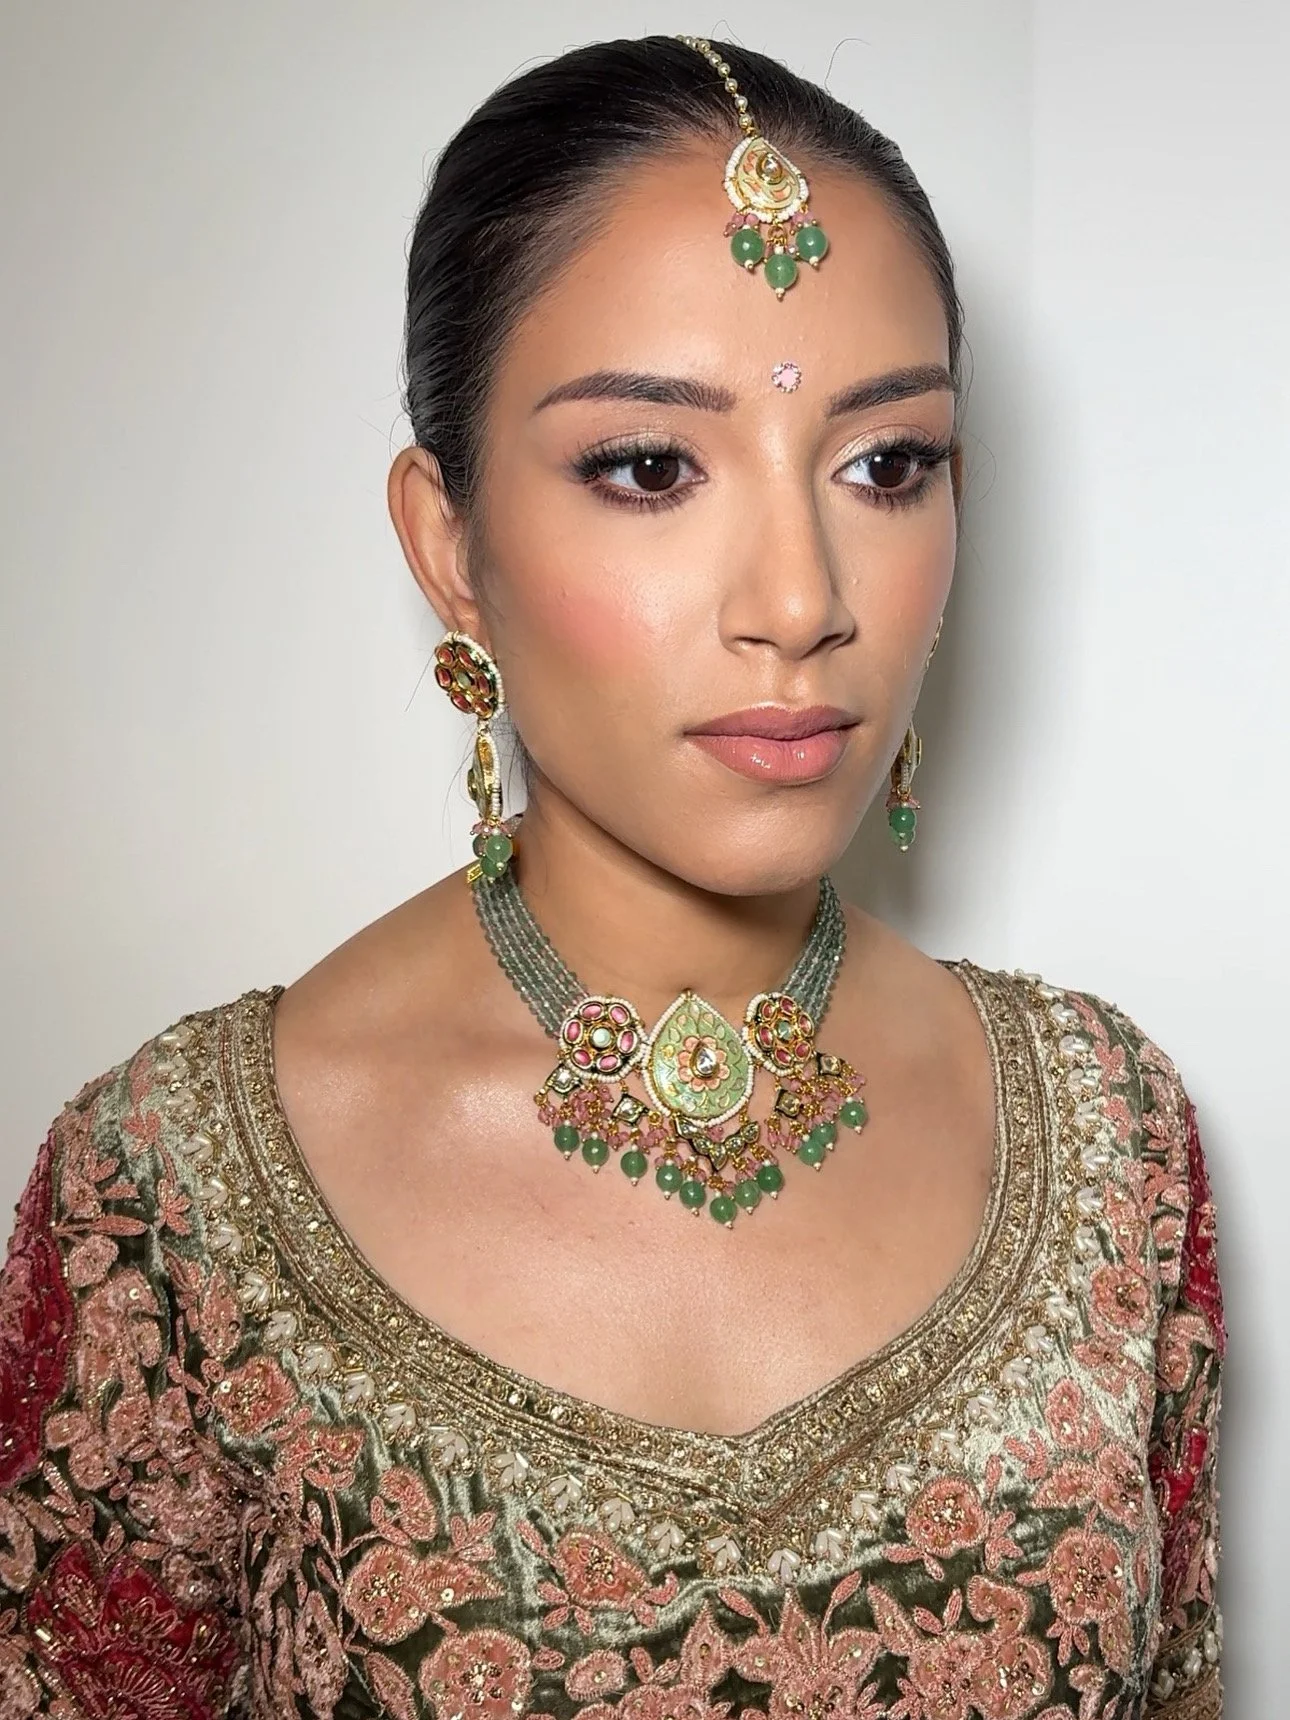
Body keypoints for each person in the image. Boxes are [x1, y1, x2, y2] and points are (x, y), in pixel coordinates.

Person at [0, 34, 1223, 1720]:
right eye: (648, 466)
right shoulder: (173, 1197)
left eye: (887, 466)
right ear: (448, 542)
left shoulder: (1113, 1138)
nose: (799, 601)